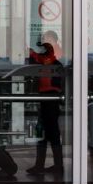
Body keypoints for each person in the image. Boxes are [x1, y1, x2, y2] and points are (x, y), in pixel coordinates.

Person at [26, 41, 63, 176]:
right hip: (46, 99)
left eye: (45, 49)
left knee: (50, 133)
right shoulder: (48, 61)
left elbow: (39, 59)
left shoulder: (54, 62)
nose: (42, 52)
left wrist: (30, 52)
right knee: (44, 133)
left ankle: (52, 166)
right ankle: (45, 165)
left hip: (51, 100)